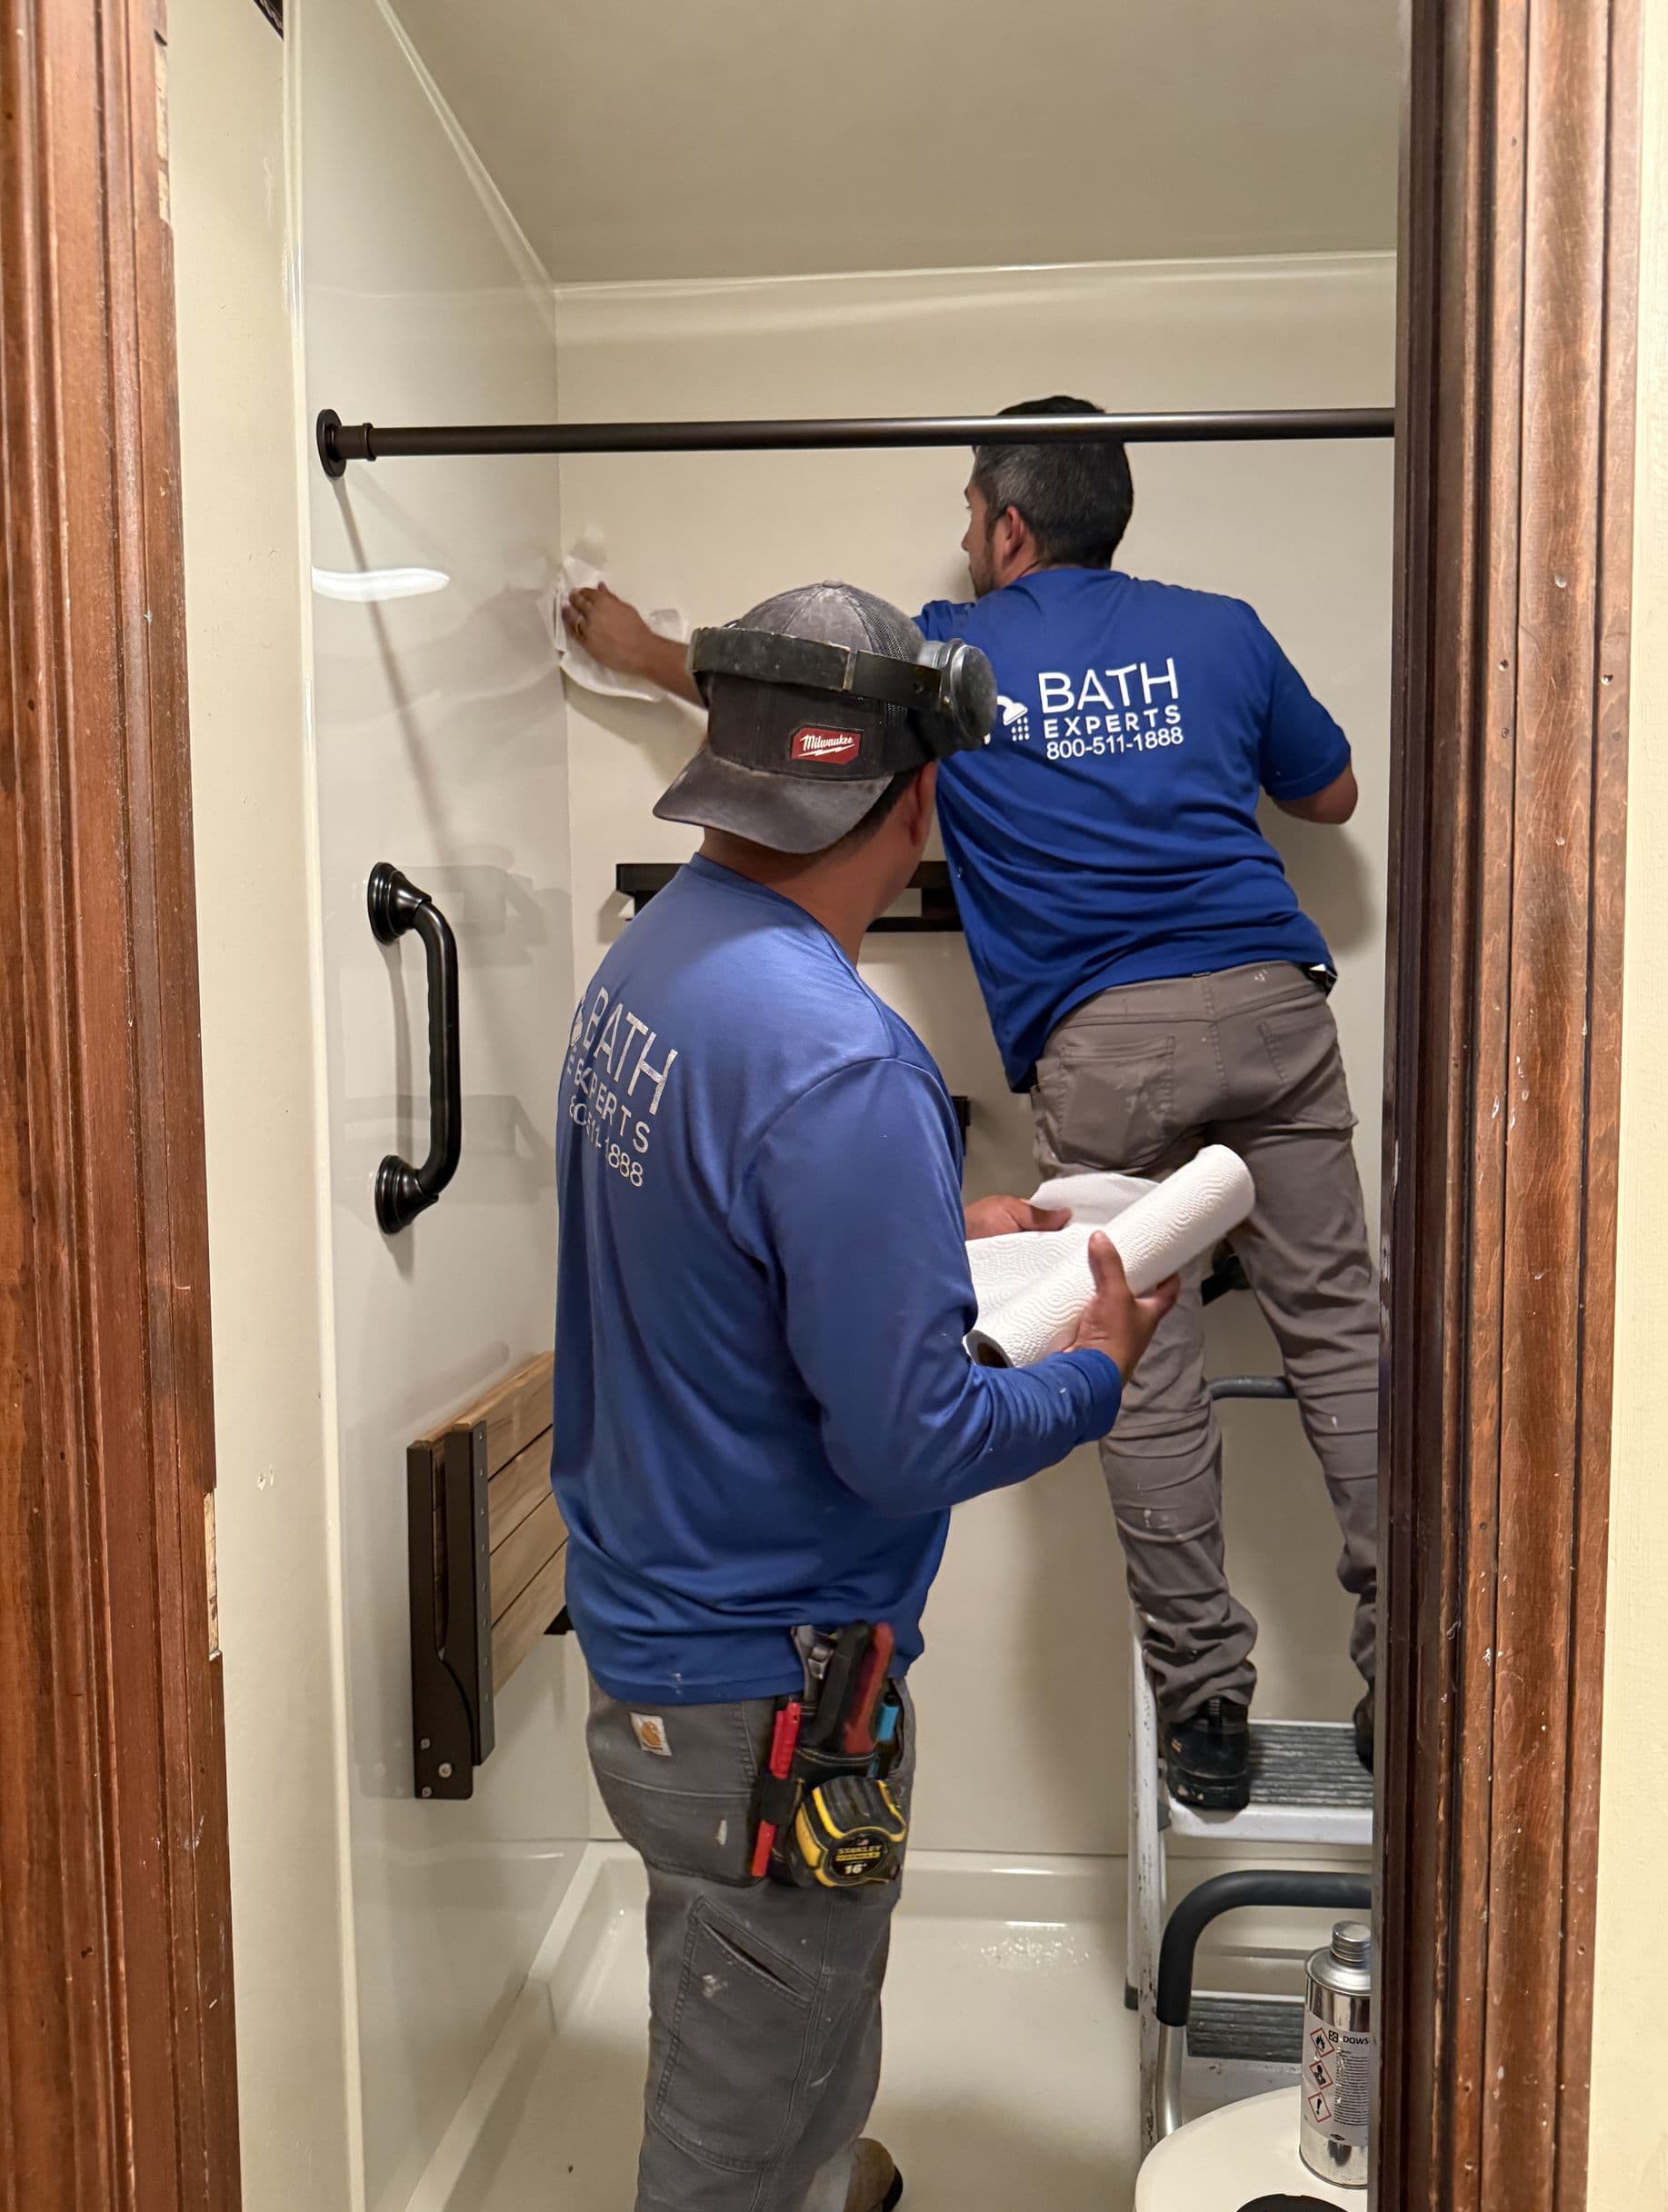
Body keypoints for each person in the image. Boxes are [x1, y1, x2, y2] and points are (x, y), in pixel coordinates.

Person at [564, 397, 1380, 1817]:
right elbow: (1334, 793)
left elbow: (796, 709)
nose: (959, 541)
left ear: (1010, 525)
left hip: (1109, 1044)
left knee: (1146, 1367)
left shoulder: (959, 666)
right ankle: (1408, 1669)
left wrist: (637, 650)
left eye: (965, 515)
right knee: (1345, 1340)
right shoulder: (1228, 628)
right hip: (1273, 1009)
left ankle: (1206, 1706)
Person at [553, 579, 1174, 2212]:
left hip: (667, 1629)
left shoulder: (663, 958)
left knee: (785, 2001)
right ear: (915, 801)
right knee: (729, 2134)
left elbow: (721, 1227)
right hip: (766, 1691)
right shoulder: (840, 1059)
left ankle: (810, 2140)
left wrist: (926, 1225)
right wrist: (1098, 1366)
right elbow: (910, 1443)